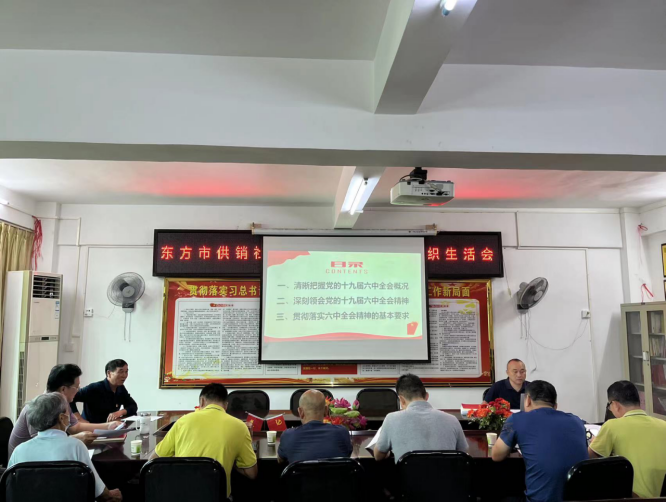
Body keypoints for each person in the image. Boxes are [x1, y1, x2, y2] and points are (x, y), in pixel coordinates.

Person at [8, 393, 122, 502]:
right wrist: (112, 495)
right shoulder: (76, 446)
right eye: (68, 412)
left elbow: (8, 490)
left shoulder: (19, 451)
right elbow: (100, 493)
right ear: (62, 418)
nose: (71, 417)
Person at [151, 383, 257, 498]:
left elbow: (152, 461)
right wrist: (232, 458)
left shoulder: (182, 421)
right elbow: (252, 473)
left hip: (180, 496)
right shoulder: (240, 426)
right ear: (226, 405)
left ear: (201, 401)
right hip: (217, 497)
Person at [492, 380, 588, 502]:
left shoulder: (516, 419)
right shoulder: (576, 421)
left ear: (527, 400)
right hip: (580, 498)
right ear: (555, 405)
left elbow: (496, 455)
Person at [8, 364, 122, 457]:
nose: (78, 390)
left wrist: (108, 426)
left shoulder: (63, 403)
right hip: (25, 465)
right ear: (63, 389)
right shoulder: (38, 407)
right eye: (76, 387)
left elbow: (75, 427)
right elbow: (41, 445)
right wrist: (75, 439)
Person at [589, 380, 666, 498]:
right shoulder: (663, 425)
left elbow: (589, 458)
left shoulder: (612, 426)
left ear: (615, 405)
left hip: (636, 498)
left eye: (610, 406)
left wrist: (594, 443)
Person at [374, 374, 468, 462]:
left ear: (401, 400)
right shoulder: (452, 420)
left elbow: (378, 456)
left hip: (408, 475)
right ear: (426, 396)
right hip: (446, 474)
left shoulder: (391, 419)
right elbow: (464, 454)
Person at [278, 390, 352, 465]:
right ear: (326, 410)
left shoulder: (288, 435)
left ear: (300, 412)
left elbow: (280, 460)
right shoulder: (342, 432)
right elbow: (347, 455)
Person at [71, 359, 137, 423]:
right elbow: (70, 399)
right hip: (91, 427)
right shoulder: (94, 388)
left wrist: (119, 412)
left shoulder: (120, 388)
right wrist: (79, 419)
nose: (124, 375)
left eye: (126, 372)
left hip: (108, 427)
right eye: (121, 372)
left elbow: (133, 406)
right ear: (109, 373)